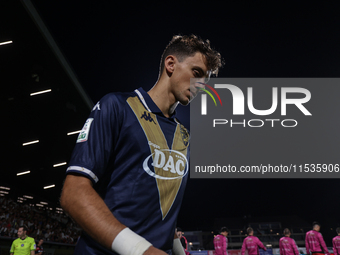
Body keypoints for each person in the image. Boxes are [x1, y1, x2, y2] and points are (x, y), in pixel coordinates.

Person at [60, 34, 223, 255]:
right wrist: (141, 250)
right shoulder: (117, 107)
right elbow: (73, 194)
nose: (202, 85)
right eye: (197, 73)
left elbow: (160, 214)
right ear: (171, 64)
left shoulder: (184, 137)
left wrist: (178, 250)